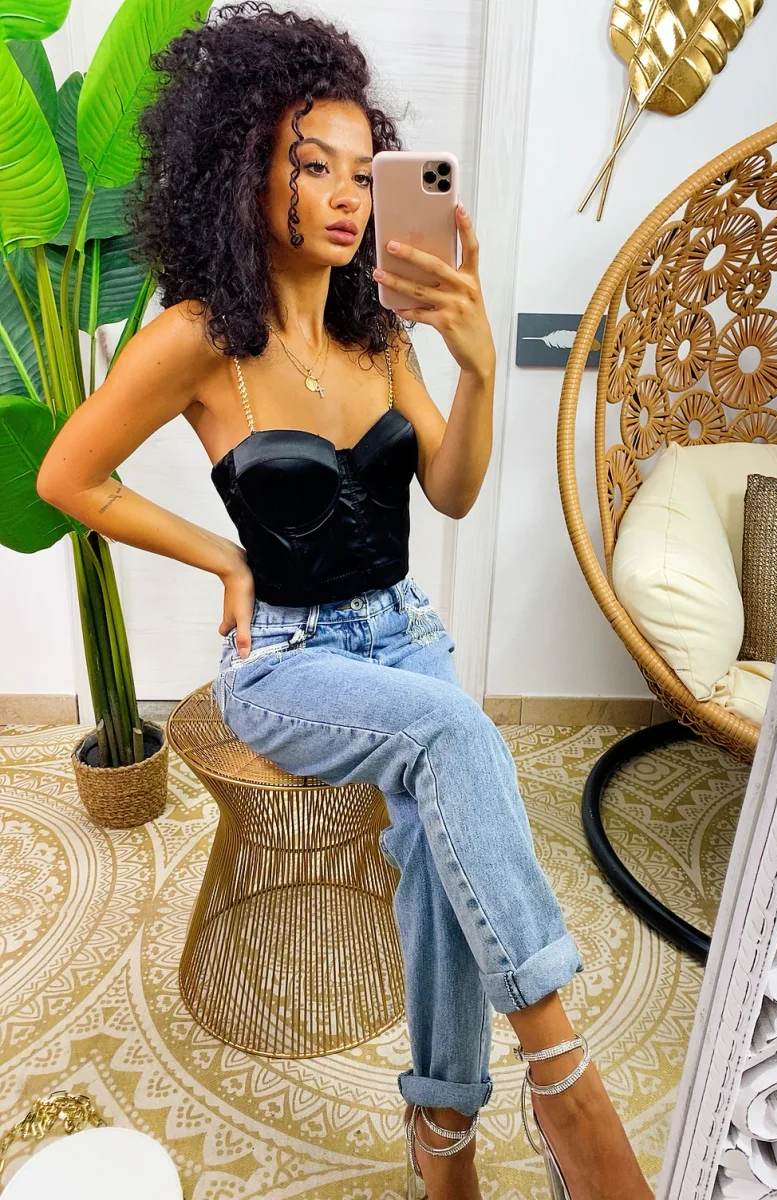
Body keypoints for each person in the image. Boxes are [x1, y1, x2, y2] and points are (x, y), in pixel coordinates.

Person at [36, 5, 652, 1198]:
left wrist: (478, 367)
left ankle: (444, 1131)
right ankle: (565, 1078)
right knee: (459, 734)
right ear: (240, 173)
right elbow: (70, 476)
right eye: (310, 165)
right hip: (287, 657)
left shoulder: (384, 335)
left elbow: (452, 491)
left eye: (364, 172)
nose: (347, 197)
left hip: (403, 633)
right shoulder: (199, 339)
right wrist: (224, 560)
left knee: (436, 839)